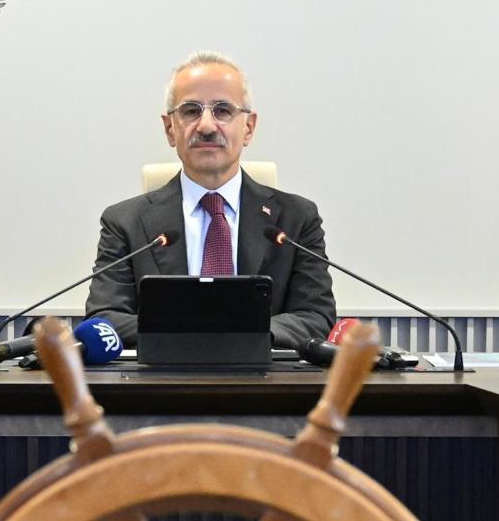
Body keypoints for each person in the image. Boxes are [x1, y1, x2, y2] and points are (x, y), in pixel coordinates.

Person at [86, 52, 335, 350]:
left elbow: (315, 316)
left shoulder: (296, 219)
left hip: (264, 376)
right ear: (170, 129)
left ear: (248, 128)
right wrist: (201, 329)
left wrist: (240, 332)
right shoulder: (124, 222)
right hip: (162, 376)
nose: (206, 126)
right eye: (191, 111)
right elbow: (105, 317)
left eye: (223, 110)